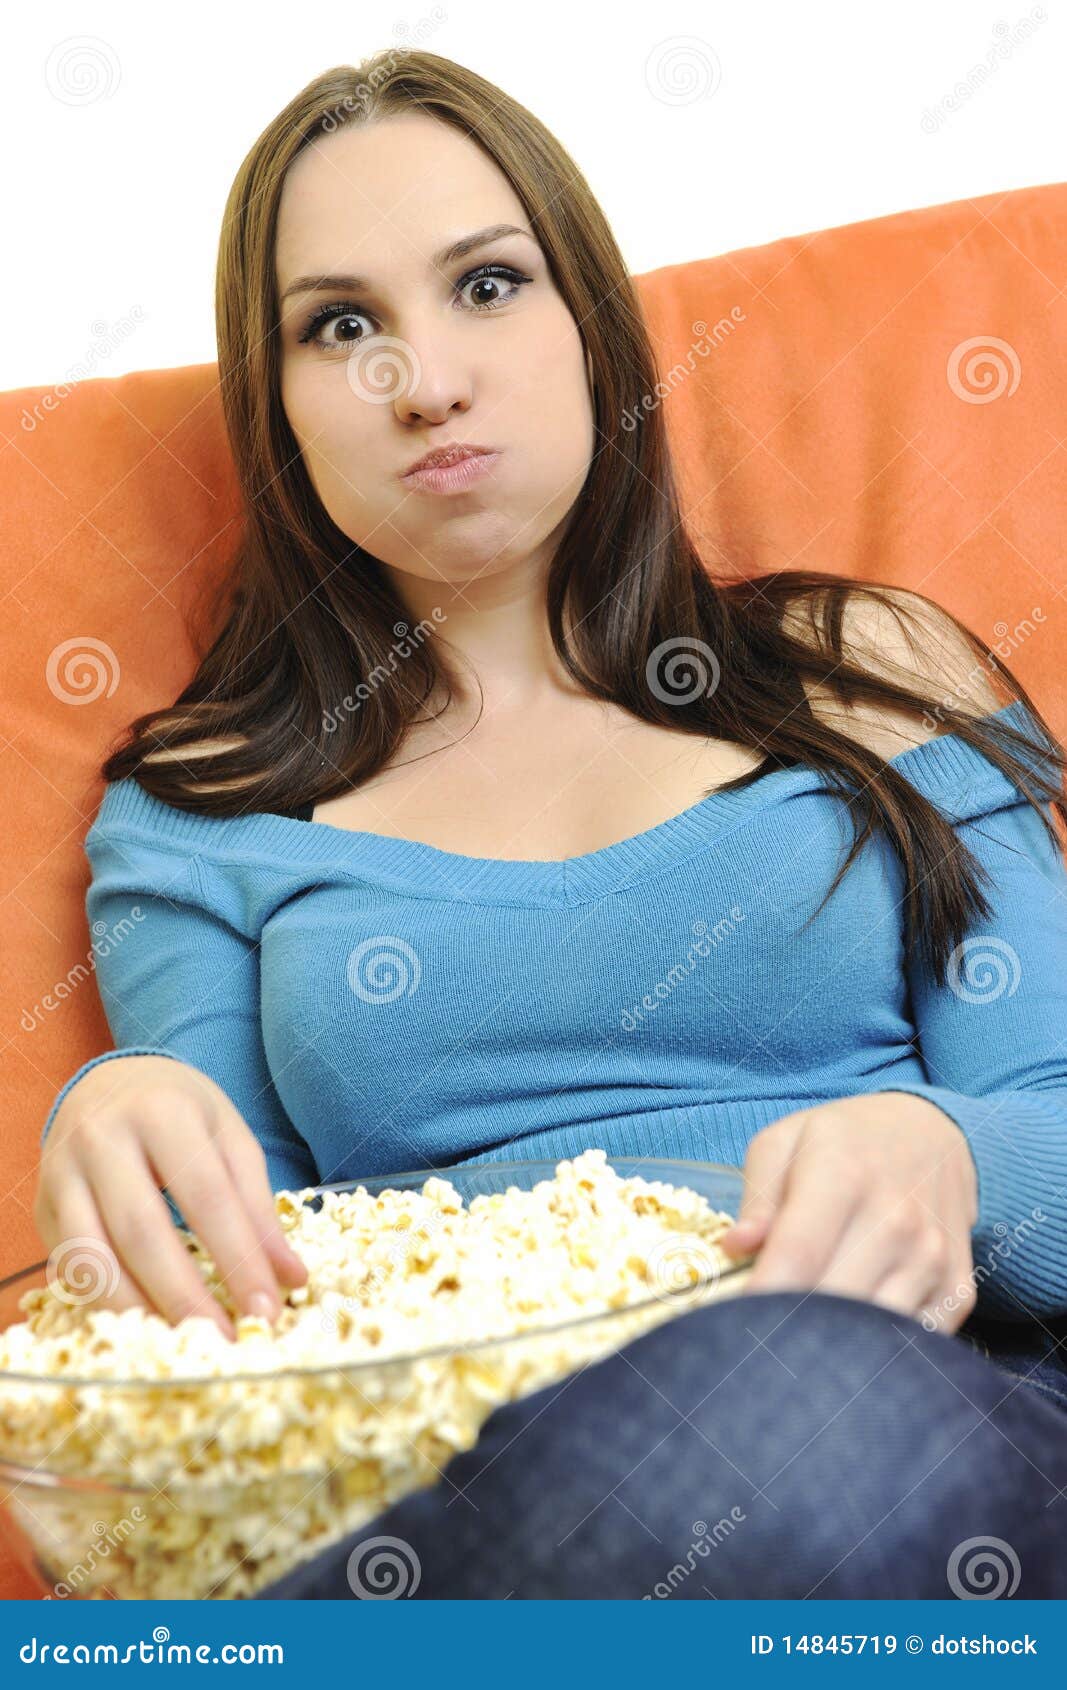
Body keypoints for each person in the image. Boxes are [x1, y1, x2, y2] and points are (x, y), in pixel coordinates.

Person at [34, 50, 1067, 1597]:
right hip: (444, 1498)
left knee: (777, 1405)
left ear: (594, 327)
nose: (426, 380)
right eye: (342, 325)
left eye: (489, 286)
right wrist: (113, 1127)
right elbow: (222, 1330)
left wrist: (954, 1158)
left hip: (918, 1426)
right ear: (282, 412)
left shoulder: (871, 669)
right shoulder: (203, 810)